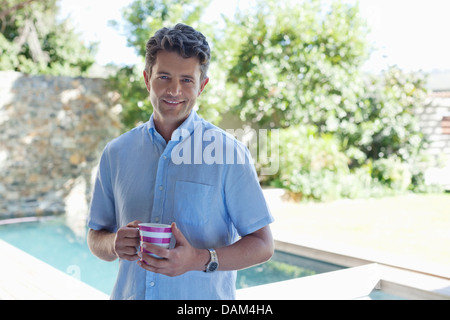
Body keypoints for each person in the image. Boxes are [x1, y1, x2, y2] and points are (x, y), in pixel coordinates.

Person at [87, 23, 274, 300]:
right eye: (164, 76)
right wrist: (113, 243)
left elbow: (263, 245)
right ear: (147, 79)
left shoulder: (229, 153)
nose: (174, 90)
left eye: (187, 80)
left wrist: (198, 259)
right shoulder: (116, 153)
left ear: (202, 86)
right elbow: (95, 236)